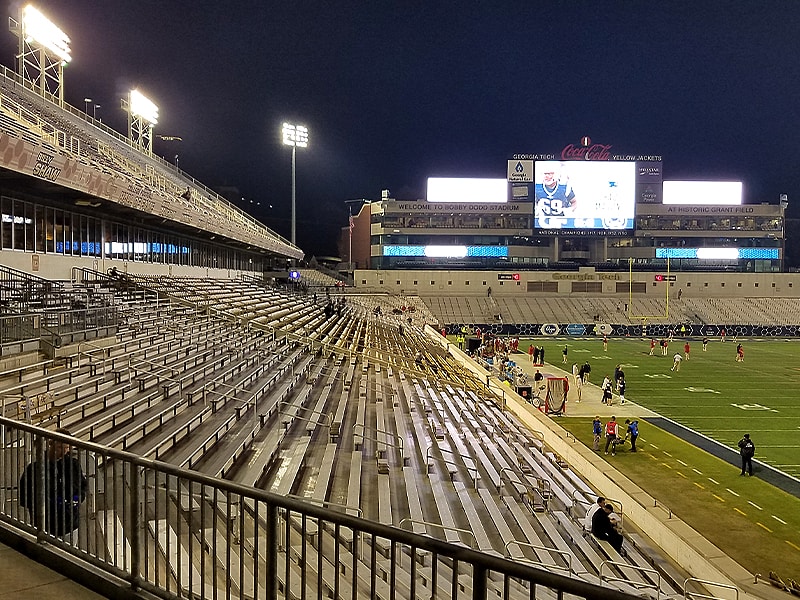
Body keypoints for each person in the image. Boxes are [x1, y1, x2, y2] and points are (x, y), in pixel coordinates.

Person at [19, 429, 88, 539]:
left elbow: (82, 487)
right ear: (51, 445)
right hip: (45, 524)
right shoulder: (35, 468)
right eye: (61, 448)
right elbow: (24, 497)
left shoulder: (73, 464)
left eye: (67, 448)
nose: (64, 451)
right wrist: (48, 504)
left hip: (70, 524)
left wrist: (77, 498)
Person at [534, 161, 578, 228]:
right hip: (543, 224)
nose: (547, 176)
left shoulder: (564, 187)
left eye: (550, 174)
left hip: (562, 224)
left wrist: (570, 210)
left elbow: (574, 202)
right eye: (545, 174)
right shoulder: (537, 187)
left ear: (557, 174)